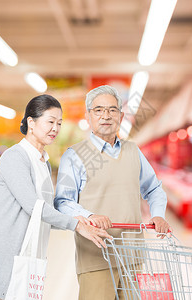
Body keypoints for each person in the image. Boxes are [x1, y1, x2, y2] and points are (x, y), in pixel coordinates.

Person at [0, 95, 111, 300]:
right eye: (50, 122)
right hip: (3, 259)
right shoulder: (15, 158)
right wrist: (75, 225)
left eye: (59, 123)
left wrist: (81, 219)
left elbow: (45, 214)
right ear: (31, 122)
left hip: (28, 260)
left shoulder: (43, 163)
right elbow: (34, 207)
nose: (55, 128)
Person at [55, 85, 172, 299]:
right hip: (96, 257)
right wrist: (89, 216)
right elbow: (63, 201)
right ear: (88, 116)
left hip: (133, 257)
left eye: (112, 110)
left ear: (121, 115)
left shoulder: (133, 151)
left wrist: (158, 214)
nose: (105, 116)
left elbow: (154, 188)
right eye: (98, 110)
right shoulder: (74, 156)